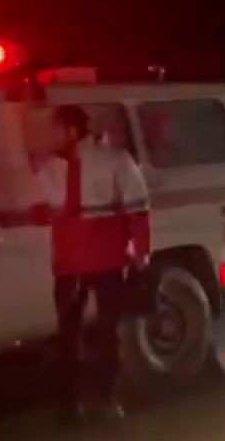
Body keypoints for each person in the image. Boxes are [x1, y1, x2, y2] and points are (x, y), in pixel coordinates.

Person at [37, 104, 151, 423]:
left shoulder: (113, 160)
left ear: (73, 131)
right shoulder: (50, 167)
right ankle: (84, 398)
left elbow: (136, 210)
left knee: (95, 332)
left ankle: (95, 396)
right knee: (83, 333)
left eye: (56, 130)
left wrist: (141, 254)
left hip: (97, 263)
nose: (51, 137)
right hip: (75, 265)